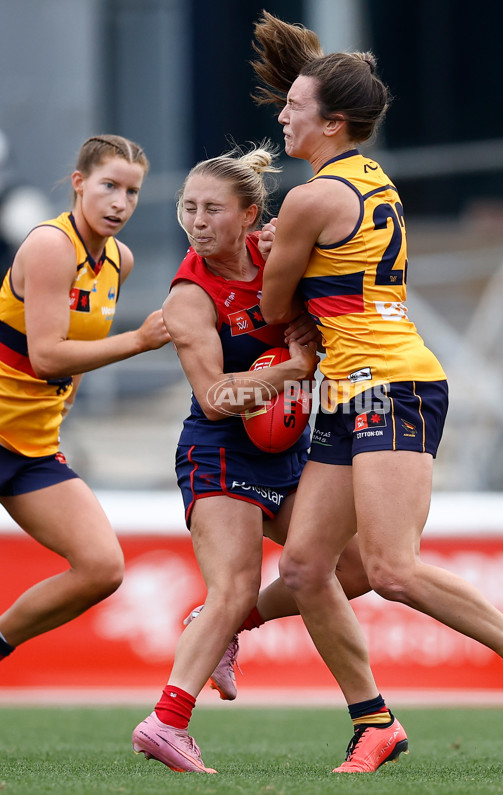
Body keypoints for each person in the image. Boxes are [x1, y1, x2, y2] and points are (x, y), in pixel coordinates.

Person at [249, 10, 503, 774]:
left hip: (390, 385)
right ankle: (372, 721)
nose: (283, 115)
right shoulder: (372, 181)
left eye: (295, 107)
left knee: (392, 568)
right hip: (354, 387)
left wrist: (268, 250)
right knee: (309, 569)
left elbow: (271, 309)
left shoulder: (308, 200)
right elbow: (324, 288)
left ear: (333, 123)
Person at [131, 142, 370, 775]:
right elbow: (213, 400)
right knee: (231, 585)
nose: (197, 221)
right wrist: (293, 366)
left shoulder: (279, 256)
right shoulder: (190, 296)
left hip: (289, 454)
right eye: (188, 208)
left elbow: (338, 301)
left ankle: (230, 626)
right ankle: (166, 722)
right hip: (219, 453)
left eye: (213, 209)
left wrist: (317, 336)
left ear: (252, 215)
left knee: (358, 568)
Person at [0, 135, 170, 662]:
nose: (120, 202)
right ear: (78, 184)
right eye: (109, 186)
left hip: (31, 448)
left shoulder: (120, 259)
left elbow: (65, 364)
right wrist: (139, 341)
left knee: (102, 568)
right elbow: (49, 356)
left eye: (132, 192)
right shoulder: (51, 246)